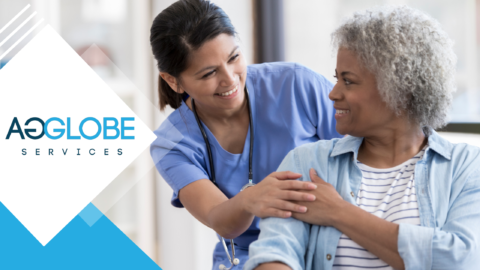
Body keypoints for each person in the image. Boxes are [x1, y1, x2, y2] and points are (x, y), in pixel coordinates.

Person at [245, 5, 480, 270]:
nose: (333, 93)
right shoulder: (307, 162)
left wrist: (338, 212)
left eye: (348, 81)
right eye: (336, 79)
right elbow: (274, 254)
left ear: (399, 91)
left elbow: (460, 259)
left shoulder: (466, 167)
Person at [149, 0, 342, 269]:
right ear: (173, 80)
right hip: (249, 256)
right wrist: (249, 199)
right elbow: (222, 221)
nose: (230, 79)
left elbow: (363, 154)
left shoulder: (296, 84)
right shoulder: (172, 144)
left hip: (331, 236)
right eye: (209, 73)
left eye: (234, 58)